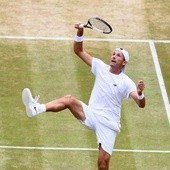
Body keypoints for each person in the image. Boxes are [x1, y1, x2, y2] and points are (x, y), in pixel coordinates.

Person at [22, 24, 145, 170]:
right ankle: (36, 108)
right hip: (91, 114)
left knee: (103, 164)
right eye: (113, 53)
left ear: (124, 62)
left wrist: (140, 93)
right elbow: (78, 50)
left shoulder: (126, 82)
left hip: (109, 124)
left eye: (118, 55)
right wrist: (80, 31)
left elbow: (140, 103)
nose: (113, 56)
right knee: (69, 100)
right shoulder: (100, 67)